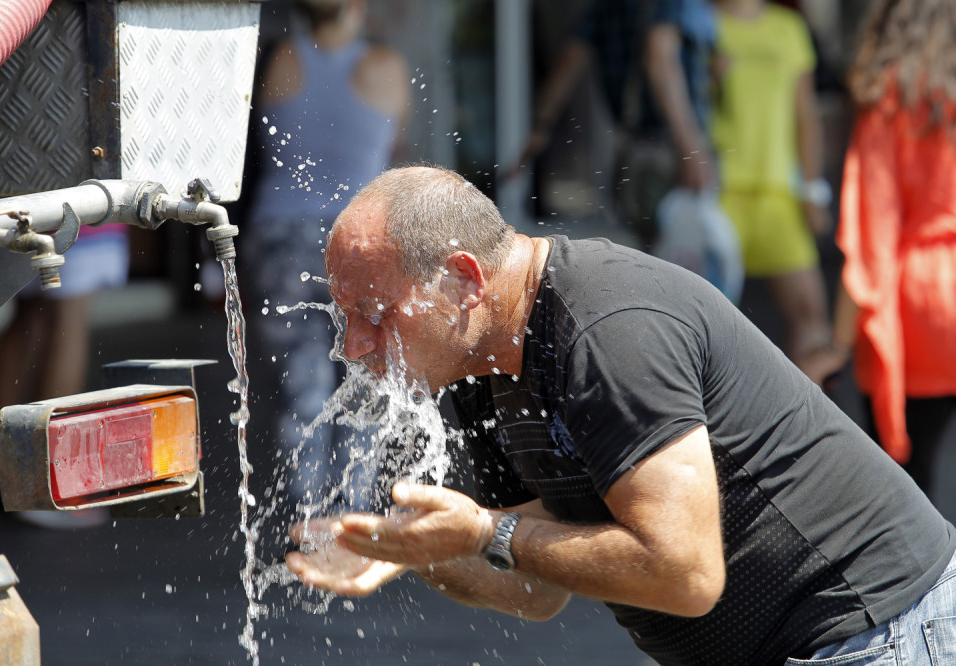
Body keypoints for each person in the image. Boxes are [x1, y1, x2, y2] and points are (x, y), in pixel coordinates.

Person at [285, 166, 956, 665]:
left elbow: (684, 573)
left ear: (463, 281)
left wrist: (486, 531)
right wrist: (419, 550)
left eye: (373, 314)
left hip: (879, 628)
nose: (353, 347)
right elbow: (536, 592)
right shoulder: (473, 371)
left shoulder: (606, 328)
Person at [242, 0, 409, 504]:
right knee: (367, 376)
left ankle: (306, 520)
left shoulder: (277, 59)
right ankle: (352, 519)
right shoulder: (387, 67)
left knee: (303, 382)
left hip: (280, 239)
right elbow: (394, 149)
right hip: (363, 239)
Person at [800, 0, 956, 498]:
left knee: (910, 486)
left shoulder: (890, 94)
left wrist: (837, 348)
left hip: (918, 309)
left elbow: (872, 240)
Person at [507, 0, 716, 238]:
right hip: (670, 151)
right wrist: (690, 147)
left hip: (632, 148)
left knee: (647, 248)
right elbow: (660, 56)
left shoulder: (605, 6)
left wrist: (541, 126)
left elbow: (569, 61)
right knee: (684, 252)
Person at [711, 0, 833, 365]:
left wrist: (812, 189)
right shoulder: (700, 23)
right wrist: (706, 79)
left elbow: (805, 115)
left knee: (811, 317)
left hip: (778, 195)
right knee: (703, 322)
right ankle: (707, 422)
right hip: (717, 195)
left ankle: (800, 422)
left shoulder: (788, 27)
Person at [0, 223, 129, 528]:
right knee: (69, 319)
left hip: (28, 211)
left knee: (30, 316)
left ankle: (0, 470)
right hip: (79, 217)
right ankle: (48, 482)